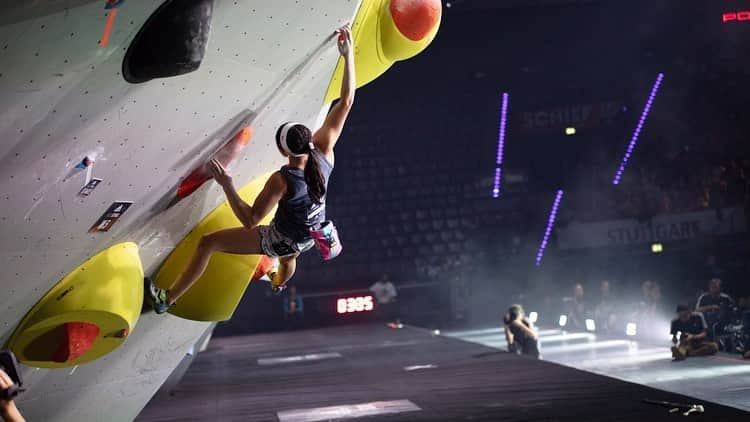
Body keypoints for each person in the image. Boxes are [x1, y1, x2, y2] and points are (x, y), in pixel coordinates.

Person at [146, 24, 356, 313]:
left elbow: (249, 219)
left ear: (284, 151)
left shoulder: (282, 180)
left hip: (281, 237)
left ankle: (166, 300)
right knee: (289, 256)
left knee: (209, 243)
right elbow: (346, 102)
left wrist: (226, 183)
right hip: (311, 233)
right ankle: (279, 281)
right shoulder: (324, 153)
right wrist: (348, 57)